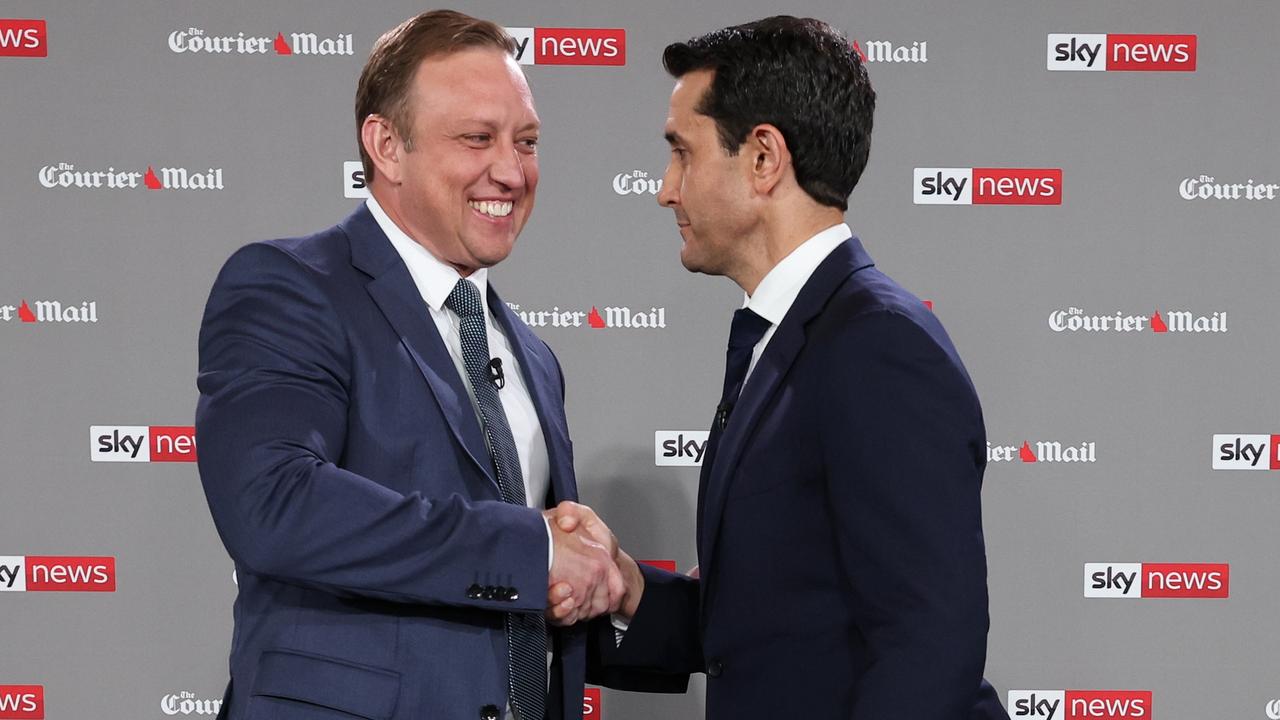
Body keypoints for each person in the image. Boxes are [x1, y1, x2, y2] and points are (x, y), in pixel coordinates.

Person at [564, 15, 1010, 719]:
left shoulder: (877, 346)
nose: (665, 188)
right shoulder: (797, 333)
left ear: (764, 158)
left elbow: (928, 645)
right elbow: (771, 623)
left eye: (683, 152)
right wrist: (632, 591)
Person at [195, 10, 621, 720]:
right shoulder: (290, 285)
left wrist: (600, 576)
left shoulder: (532, 356)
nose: (511, 171)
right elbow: (271, 504)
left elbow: (531, 590)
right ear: (386, 146)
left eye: (527, 142)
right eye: (477, 139)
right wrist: (531, 547)